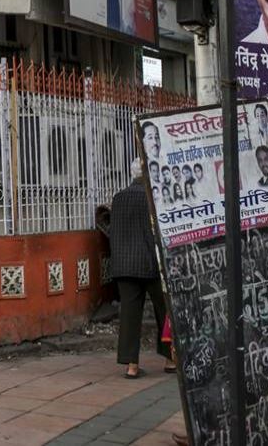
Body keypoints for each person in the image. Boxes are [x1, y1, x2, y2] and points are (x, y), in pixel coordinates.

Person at [110, 159, 171, 379]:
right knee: (165, 311)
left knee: (129, 316)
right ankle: (171, 359)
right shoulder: (152, 198)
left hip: (124, 264)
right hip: (150, 263)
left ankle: (132, 366)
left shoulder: (118, 198)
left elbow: (114, 231)